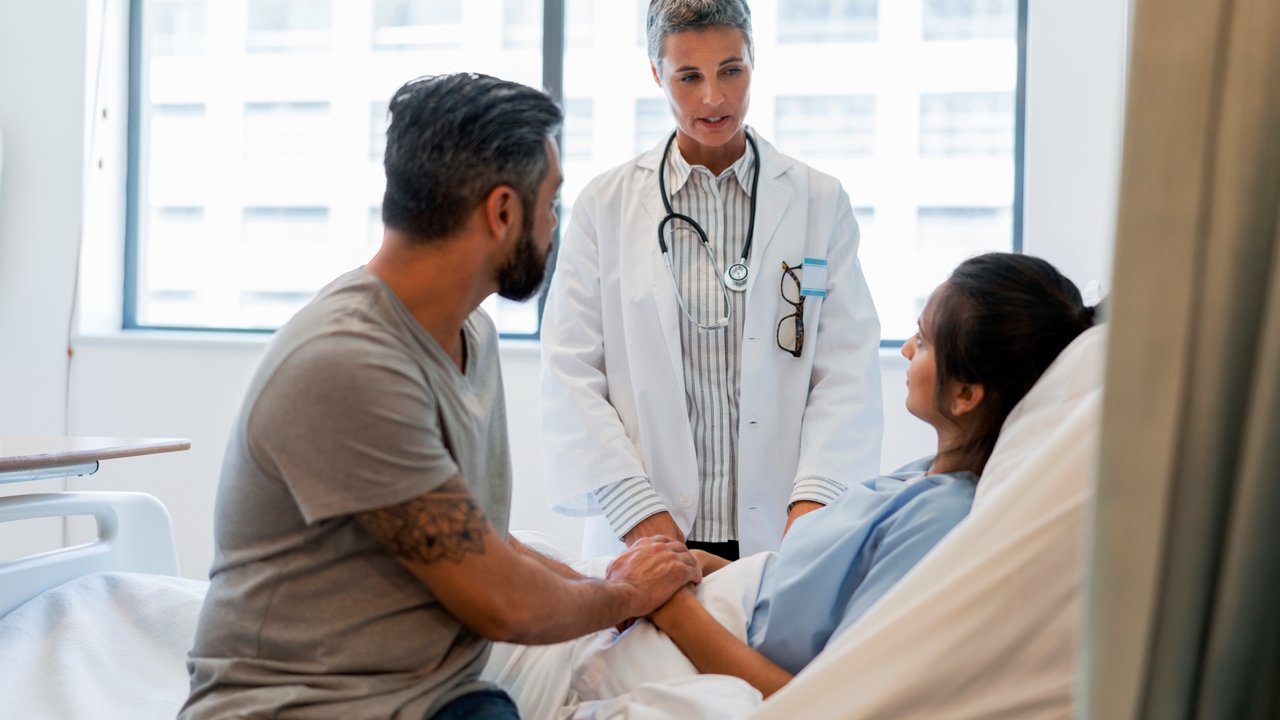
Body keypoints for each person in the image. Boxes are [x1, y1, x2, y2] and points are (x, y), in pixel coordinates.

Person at [180, 73, 700, 720]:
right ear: (503, 211)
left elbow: (477, 542)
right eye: (552, 203)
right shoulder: (347, 363)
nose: (553, 224)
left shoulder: (469, 336)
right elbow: (502, 604)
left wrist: (615, 580)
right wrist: (624, 597)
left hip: (435, 700)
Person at [646, 252, 1098, 698]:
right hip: (708, 604)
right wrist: (709, 568)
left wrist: (671, 607)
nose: (904, 349)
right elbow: (806, 589)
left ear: (964, 393)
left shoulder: (941, 518)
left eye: (922, 342)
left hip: (702, 640)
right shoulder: (920, 477)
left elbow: (822, 695)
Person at [540, 0, 883, 562]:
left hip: (782, 527)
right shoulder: (606, 206)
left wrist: (814, 508)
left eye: (731, 70)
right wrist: (637, 512)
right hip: (647, 529)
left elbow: (847, 371)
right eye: (689, 76)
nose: (714, 99)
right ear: (657, 73)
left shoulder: (819, 202)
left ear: (754, 61)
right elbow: (570, 371)